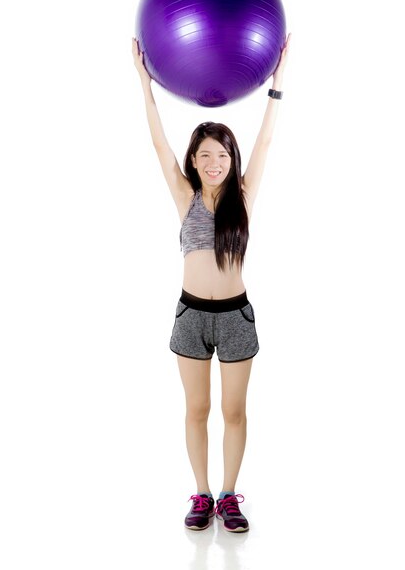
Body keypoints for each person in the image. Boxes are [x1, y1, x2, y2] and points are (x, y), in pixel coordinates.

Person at [132, 33, 291, 532]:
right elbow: (158, 143)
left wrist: (277, 84)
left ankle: (229, 496)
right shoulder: (186, 198)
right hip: (191, 315)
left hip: (236, 315)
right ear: (194, 161)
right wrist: (145, 83)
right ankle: (200, 495)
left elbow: (266, 138)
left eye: (220, 154)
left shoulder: (244, 195)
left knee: (234, 411)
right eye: (204, 155)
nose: (213, 162)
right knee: (197, 409)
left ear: (231, 157)